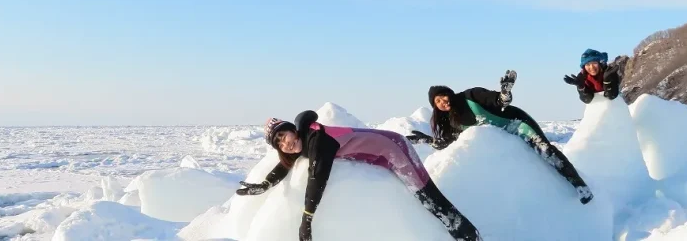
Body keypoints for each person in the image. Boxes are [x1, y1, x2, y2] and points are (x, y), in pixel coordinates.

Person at [235, 110, 481, 241]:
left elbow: (317, 177)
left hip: (394, 148)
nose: (284, 143)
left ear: (291, 130)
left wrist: (306, 220)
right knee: (426, 196)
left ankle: (468, 235)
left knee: (427, 197)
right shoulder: (304, 140)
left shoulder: (317, 140)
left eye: (283, 135)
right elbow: (285, 166)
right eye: (278, 143)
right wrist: (264, 184)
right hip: (384, 150)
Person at [406, 70, 594, 205]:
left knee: (546, 151)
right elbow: (447, 143)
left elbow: (499, 101)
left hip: (517, 124)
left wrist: (505, 92)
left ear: (449, 93)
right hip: (502, 139)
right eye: (437, 101)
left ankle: (579, 185)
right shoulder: (450, 122)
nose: (442, 102)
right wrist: (426, 140)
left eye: (443, 96)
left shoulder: (470, 95)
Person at [562, 48, 629, 103]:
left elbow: (611, 96)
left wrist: (607, 81)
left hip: (614, 107)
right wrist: (580, 86)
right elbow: (587, 100)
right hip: (595, 109)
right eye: (587, 65)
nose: (591, 67)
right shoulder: (582, 77)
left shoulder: (610, 72)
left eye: (594, 63)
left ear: (600, 64)